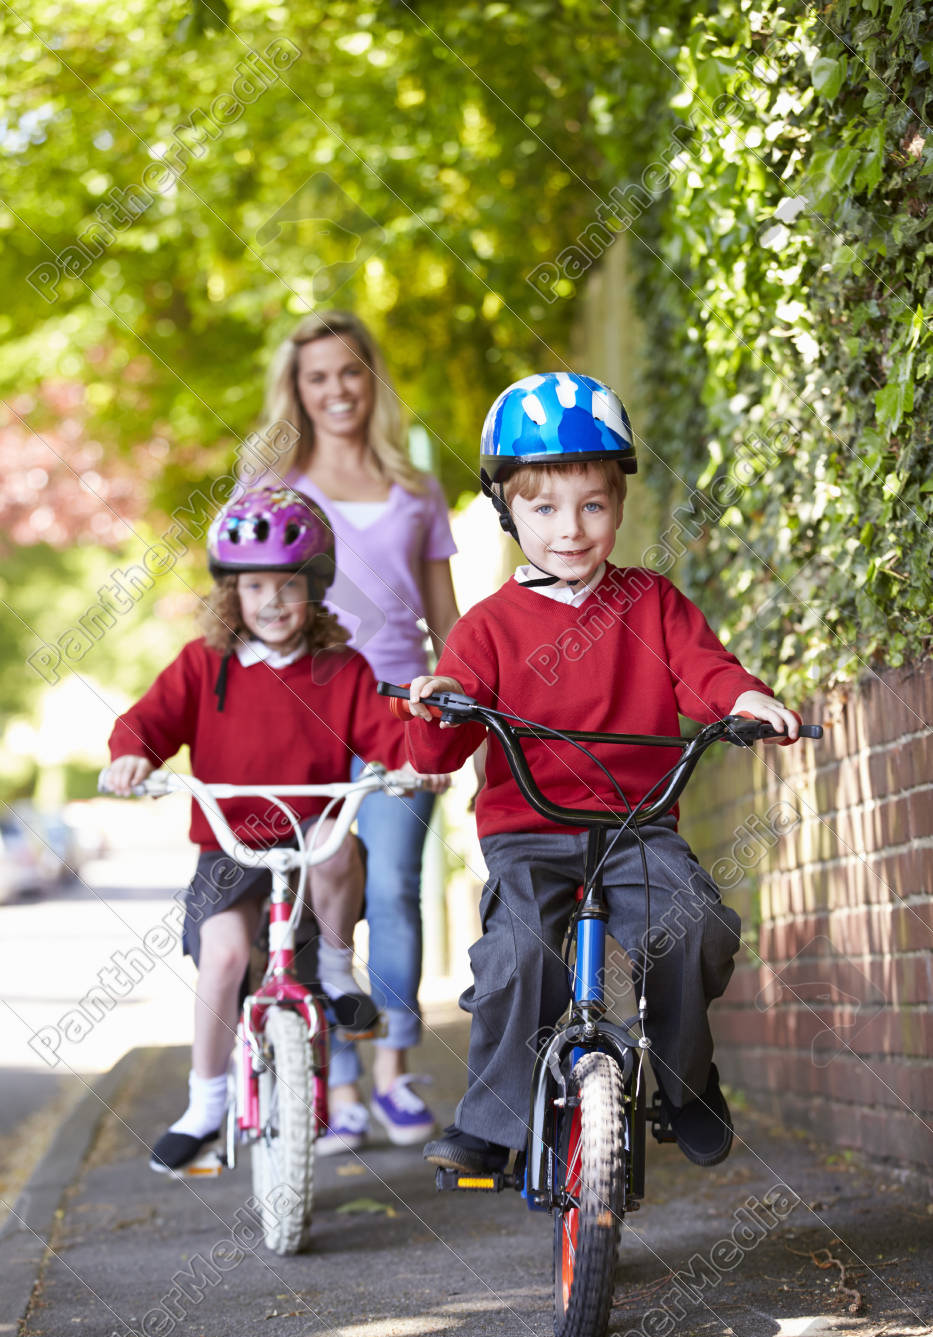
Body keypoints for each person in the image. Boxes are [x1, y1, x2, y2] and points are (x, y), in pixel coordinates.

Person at [404, 372, 802, 1175]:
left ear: (618, 506)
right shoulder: (484, 630)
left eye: (591, 504)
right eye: (542, 508)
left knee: (695, 927)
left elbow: (704, 671)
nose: (570, 529)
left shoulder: (650, 602)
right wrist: (440, 706)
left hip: (636, 827)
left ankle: (685, 1083)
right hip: (528, 834)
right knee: (517, 955)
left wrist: (746, 697)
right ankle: (493, 1125)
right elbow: (435, 755)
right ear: (506, 512)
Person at [103, 484, 433, 1172]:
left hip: (306, 839)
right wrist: (132, 754)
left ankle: (338, 974)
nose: (273, 602)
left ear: (313, 589)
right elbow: (150, 720)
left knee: (336, 840)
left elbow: (383, 733)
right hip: (228, 851)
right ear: (232, 593)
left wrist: (413, 763)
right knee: (224, 958)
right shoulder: (205, 665)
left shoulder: (341, 668)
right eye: (254, 586)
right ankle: (207, 1100)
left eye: (288, 585)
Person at [260, 308, 459, 1150]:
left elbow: (449, 621)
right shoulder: (273, 494)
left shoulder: (415, 489)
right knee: (322, 888)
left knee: (393, 890)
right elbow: (240, 613)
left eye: (349, 372)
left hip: (398, 708)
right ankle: (337, 1084)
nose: (335, 389)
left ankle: (393, 1072)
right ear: (296, 392)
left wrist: (456, 719)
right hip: (304, 706)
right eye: (316, 377)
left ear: (368, 379)